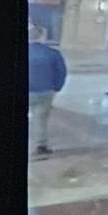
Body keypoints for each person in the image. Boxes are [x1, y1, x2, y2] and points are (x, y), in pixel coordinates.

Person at [27, 26, 67, 156]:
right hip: (45, 91)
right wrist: (57, 87)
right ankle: (41, 145)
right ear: (42, 37)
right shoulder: (53, 53)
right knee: (40, 119)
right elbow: (62, 73)